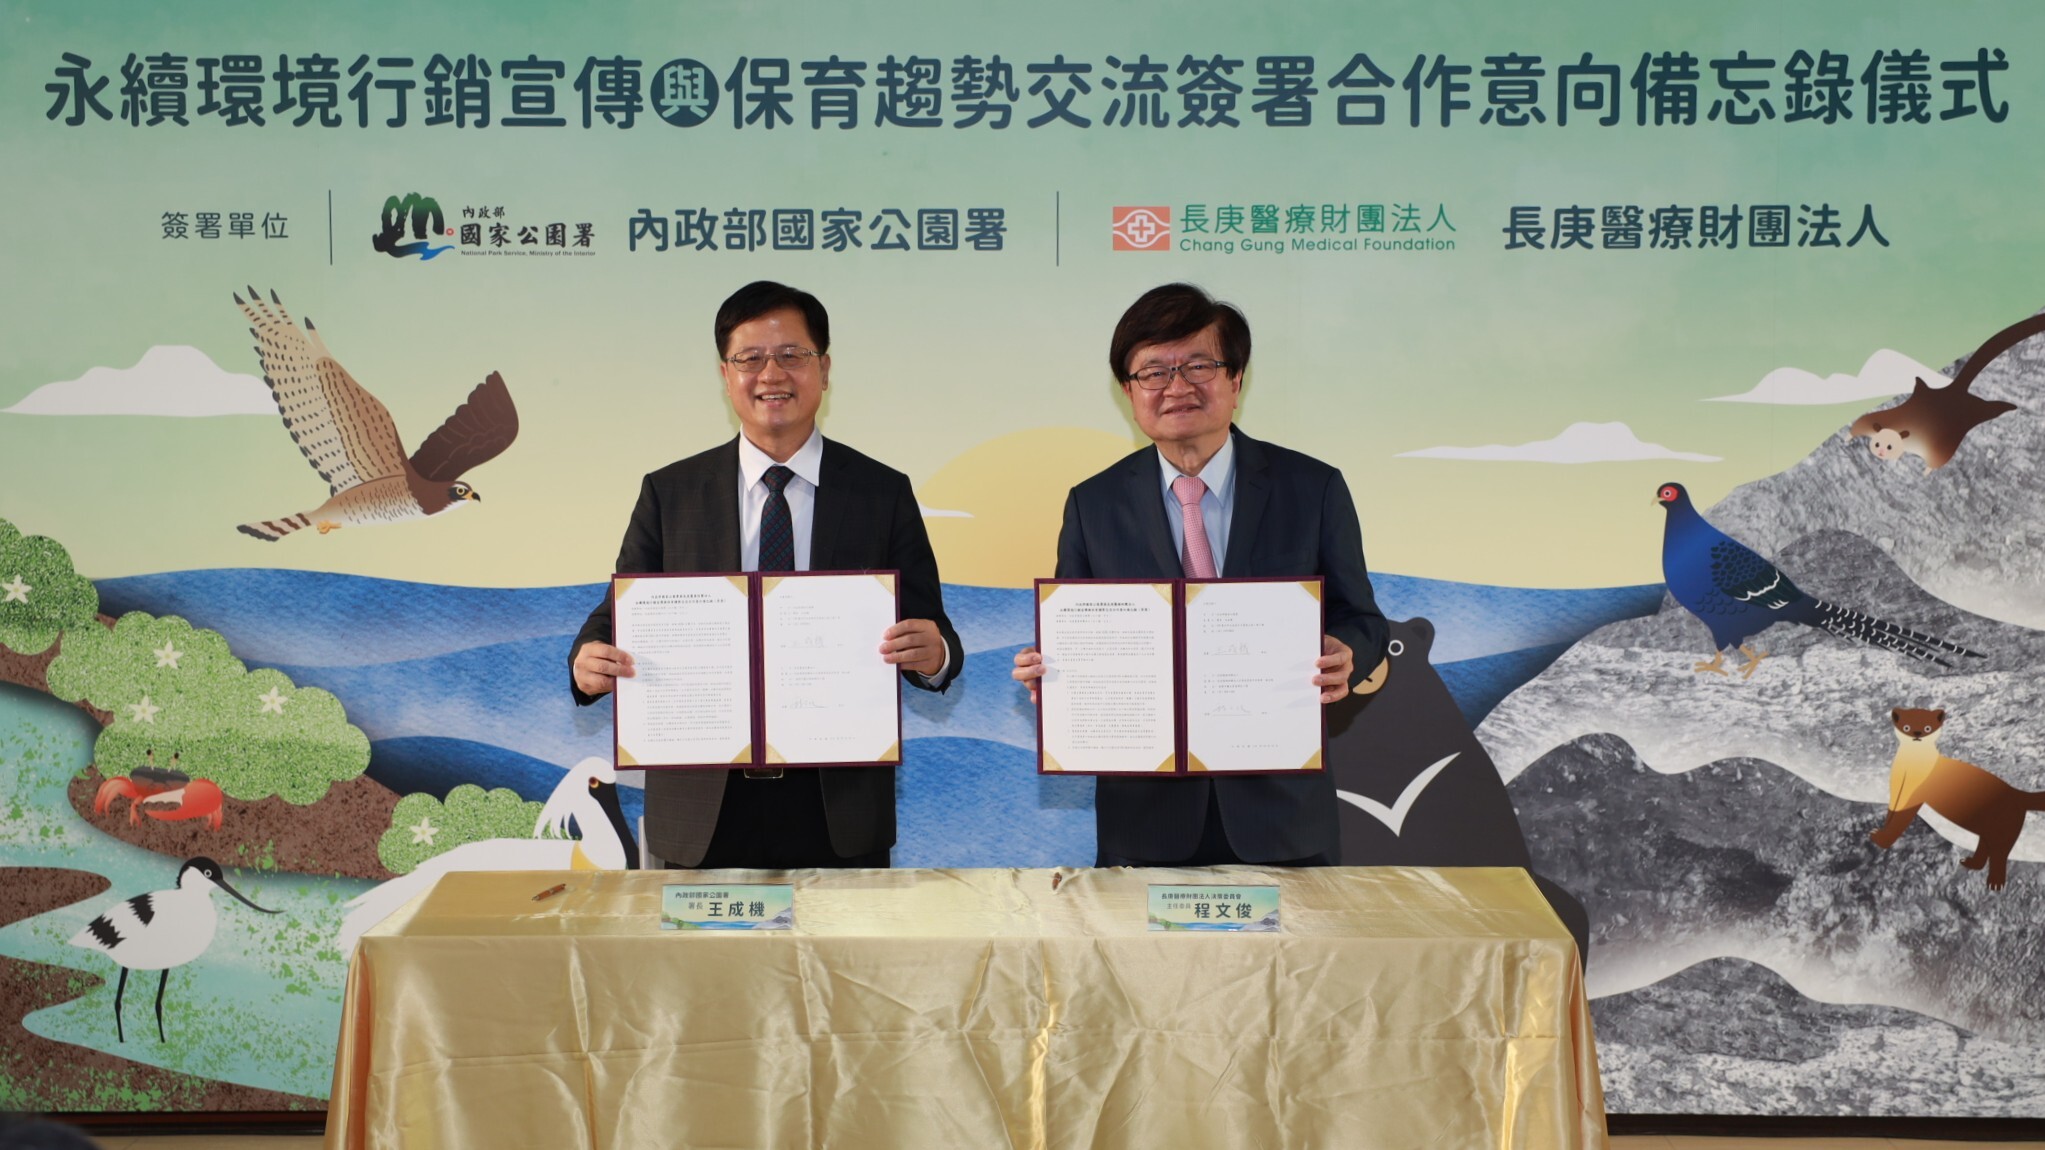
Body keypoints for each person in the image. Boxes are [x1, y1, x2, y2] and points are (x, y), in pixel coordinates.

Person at [570, 280, 962, 869]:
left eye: (792, 355)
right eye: (750, 358)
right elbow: (616, 618)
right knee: (704, 939)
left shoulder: (881, 493)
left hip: (836, 806)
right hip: (703, 805)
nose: (771, 374)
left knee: (838, 938)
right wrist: (587, 661)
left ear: (824, 369)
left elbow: (933, 629)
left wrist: (935, 656)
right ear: (725, 375)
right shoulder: (670, 493)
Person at [1013, 282, 1389, 867]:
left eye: (1198, 366)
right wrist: (1055, 673)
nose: (1177, 386)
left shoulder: (1312, 488)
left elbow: (1361, 618)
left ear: (1236, 381)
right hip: (1145, 822)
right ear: (1128, 393)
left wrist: (1348, 652)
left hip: (1282, 814)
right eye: (1153, 372)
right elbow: (1080, 628)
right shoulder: (1093, 504)